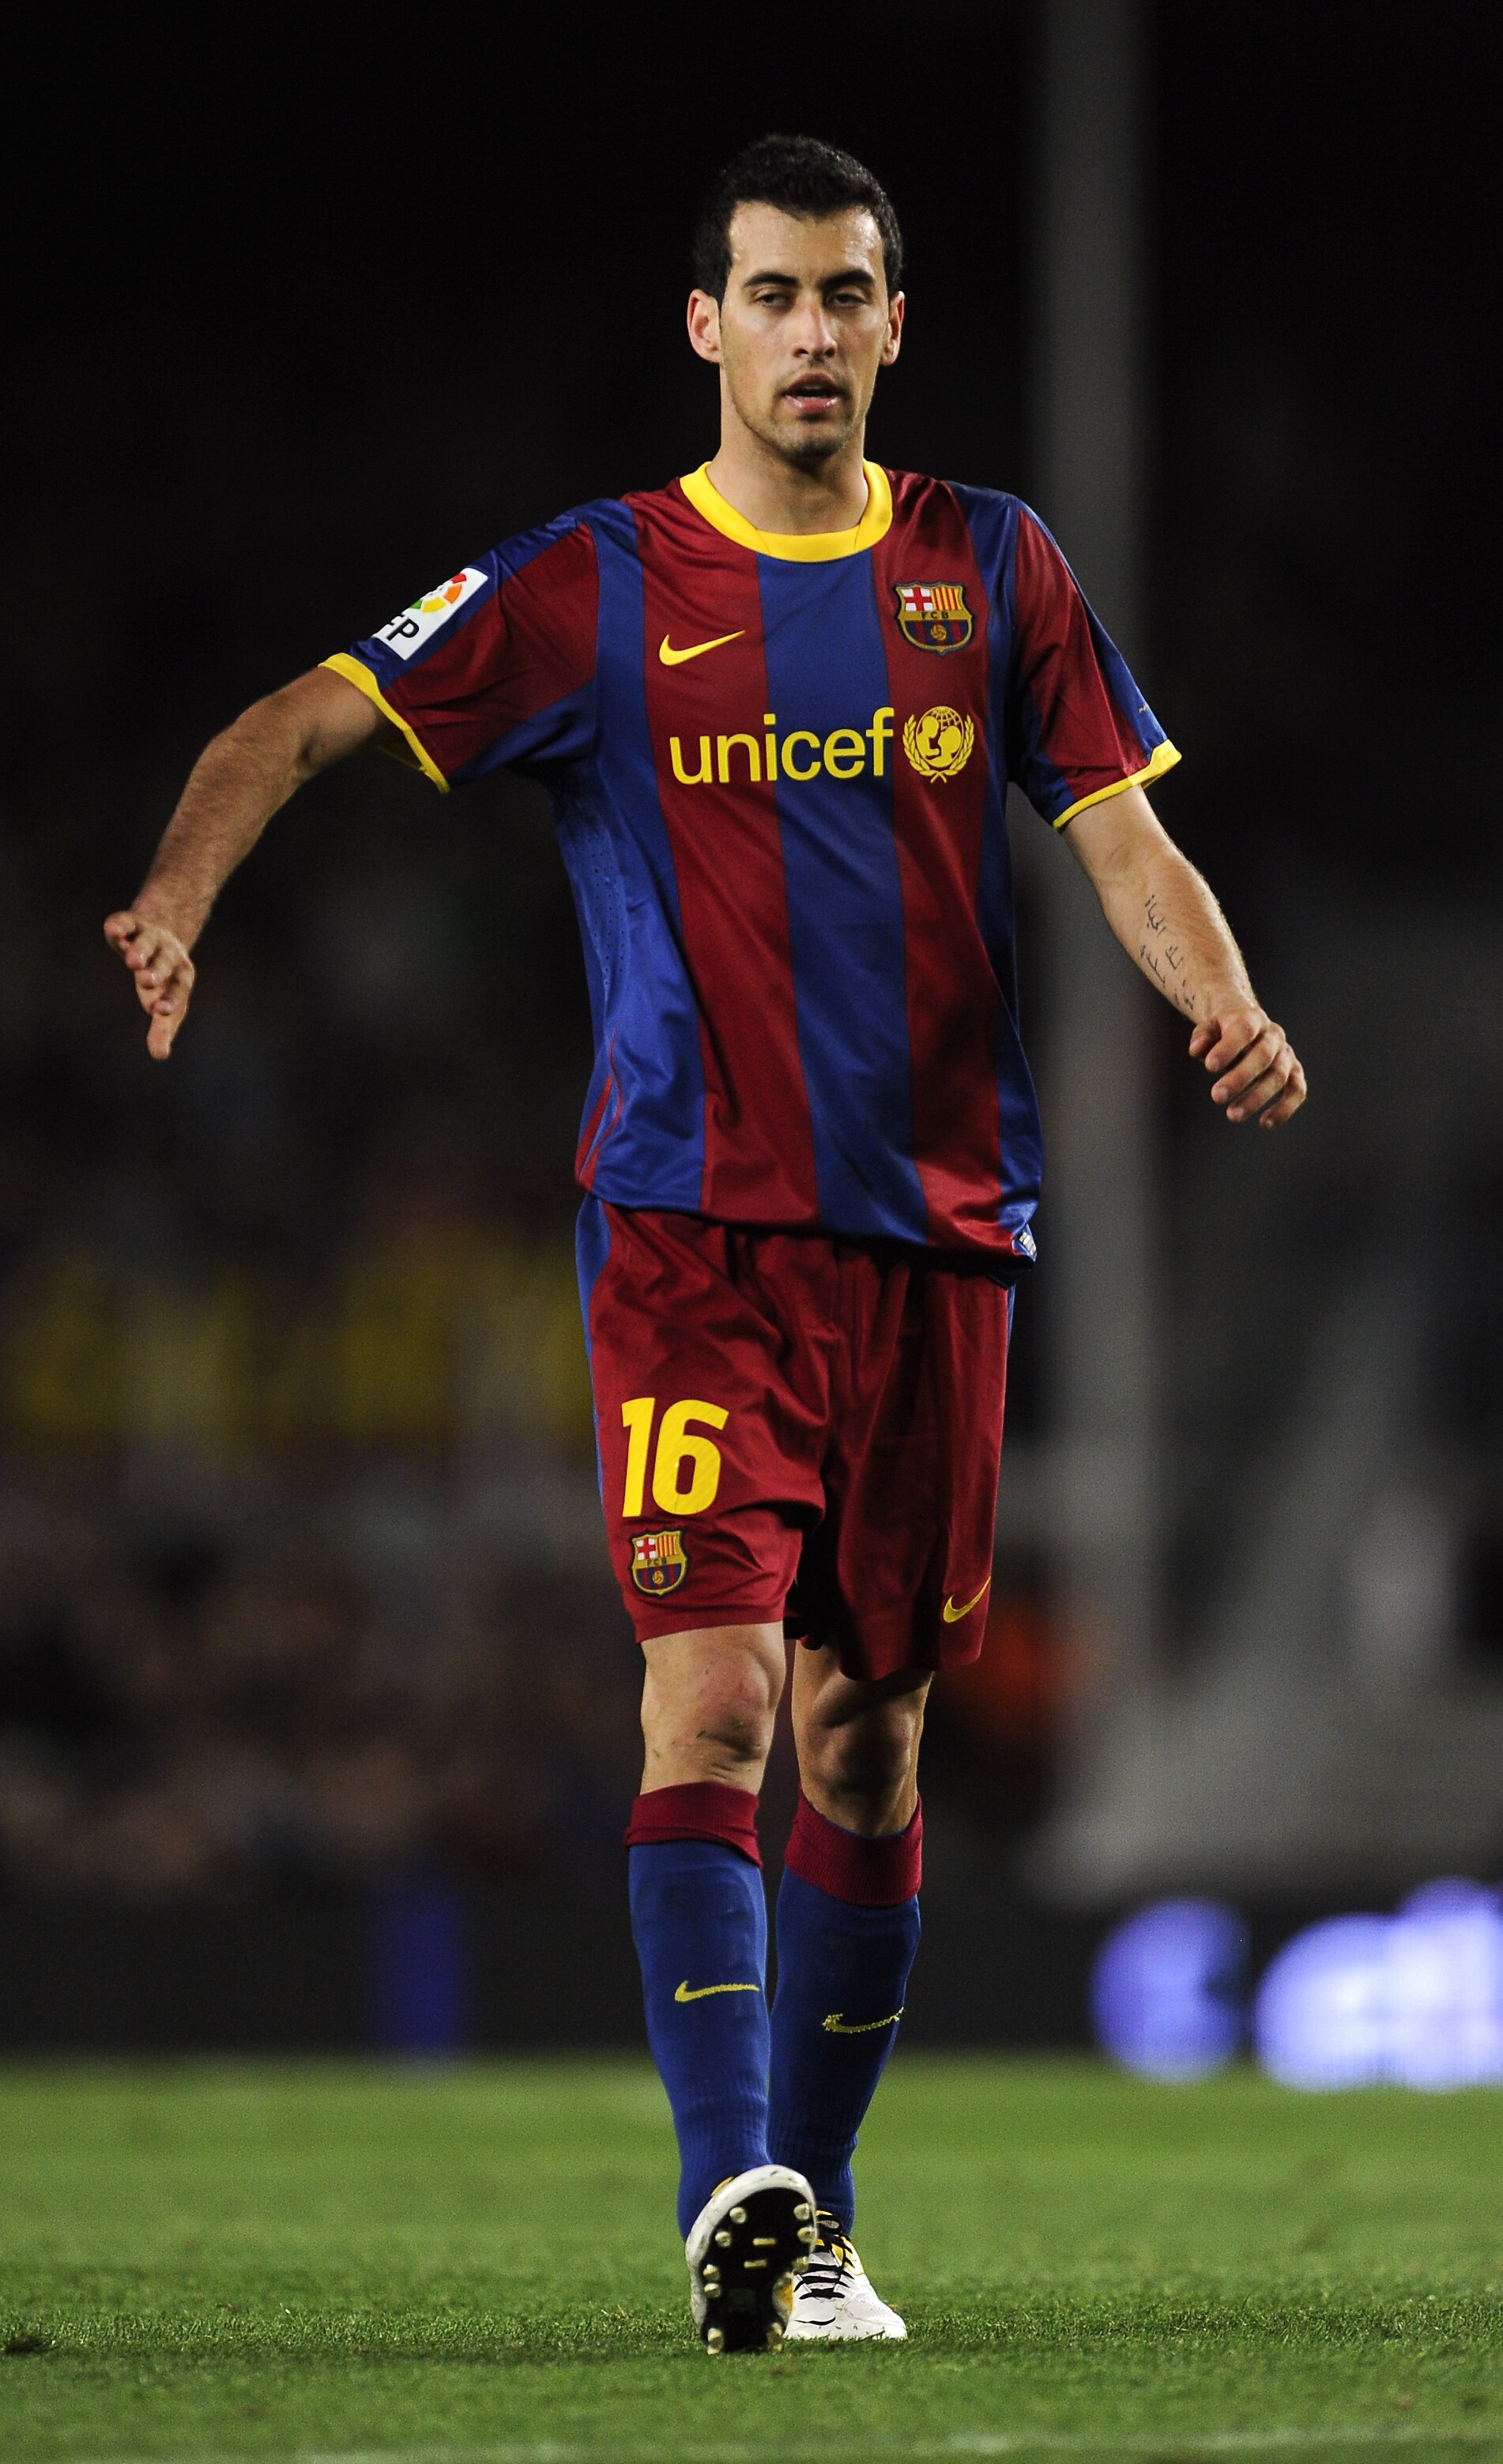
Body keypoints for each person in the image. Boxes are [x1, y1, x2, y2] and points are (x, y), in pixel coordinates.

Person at [105, 134, 1307, 2354]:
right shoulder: (592, 582)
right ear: (705, 322)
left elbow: (1127, 839)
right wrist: (178, 899)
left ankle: (813, 2212)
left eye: (850, 296)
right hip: (689, 1236)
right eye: (773, 295)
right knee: (721, 1692)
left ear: (897, 322)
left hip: (941, 1248)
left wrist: (1218, 998)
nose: (816, 335)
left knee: (871, 1747)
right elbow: (293, 724)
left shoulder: (994, 568)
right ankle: (725, 2196)